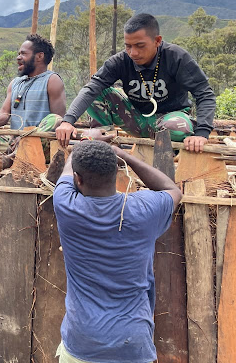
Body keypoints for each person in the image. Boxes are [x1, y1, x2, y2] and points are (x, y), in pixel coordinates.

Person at [53, 138, 182, 362]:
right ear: (116, 171)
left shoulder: (66, 205)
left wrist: (82, 145)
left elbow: (66, 173)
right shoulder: (144, 209)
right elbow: (172, 189)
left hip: (82, 340)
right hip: (131, 343)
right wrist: (125, 155)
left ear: (78, 179)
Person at [56, 13, 216, 153]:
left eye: (140, 46)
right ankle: (106, 148)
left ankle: (167, 153)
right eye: (128, 46)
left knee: (178, 127)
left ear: (157, 41)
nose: (133, 52)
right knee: (98, 91)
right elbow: (92, 88)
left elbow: (204, 94)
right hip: (136, 118)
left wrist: (202, 133)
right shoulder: (120, 61)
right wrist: (67, 121)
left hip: (170, 119)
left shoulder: (176, 57)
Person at [0, 34, 66, 169]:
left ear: (39, 56)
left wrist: (26, 138)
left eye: (23, 54)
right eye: (18, 54)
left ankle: (8, 160)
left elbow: (59, 121)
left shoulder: (52, 80)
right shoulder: (15, 83)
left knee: (55, 120)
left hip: (39, 145)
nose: (18, 57)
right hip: (13, 143)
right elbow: (4, 114)